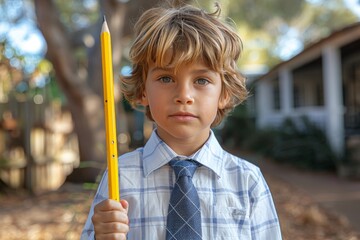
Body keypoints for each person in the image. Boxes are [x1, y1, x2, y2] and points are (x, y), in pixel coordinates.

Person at [81, 2, 282, 239]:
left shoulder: (247, 181)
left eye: (201, 80)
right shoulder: (120, 176)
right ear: (143, 91)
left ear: (224, 93)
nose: (184, 96)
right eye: (166, 78)